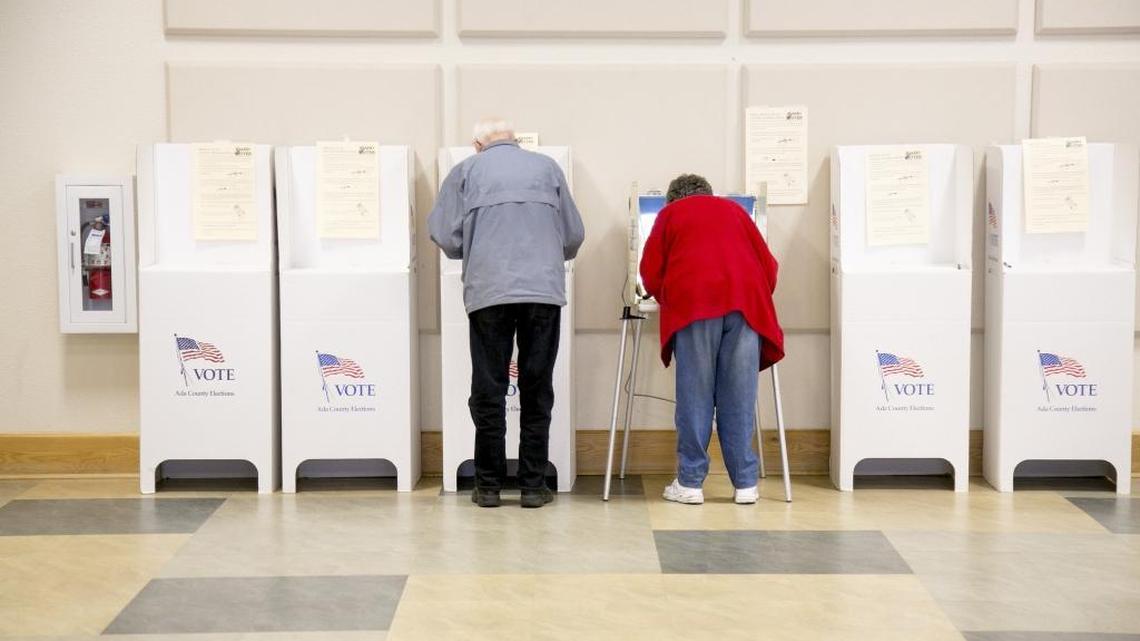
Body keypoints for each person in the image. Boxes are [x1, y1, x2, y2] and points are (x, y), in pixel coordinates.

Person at [429, 118, 585, 508]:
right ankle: (533, 486)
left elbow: (444, 235)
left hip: (489, 292)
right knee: (537, 387)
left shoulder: (466, 170)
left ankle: (488, 487)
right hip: (543, 292)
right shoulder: (548, 167)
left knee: (489, 388)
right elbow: (573, 235)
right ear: (516, 142)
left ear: (477, 144)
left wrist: (479, 247)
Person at [639, 174, 784, 505]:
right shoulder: (734, 211)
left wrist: (668, 296)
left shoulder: (669, 215)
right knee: (739, 395)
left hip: (695, 305)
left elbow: (650, 271)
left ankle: (690, 483)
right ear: (709, 193)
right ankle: (746, 484)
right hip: (746, 307)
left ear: (671, 199)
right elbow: (769, 267)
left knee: (696, 394)